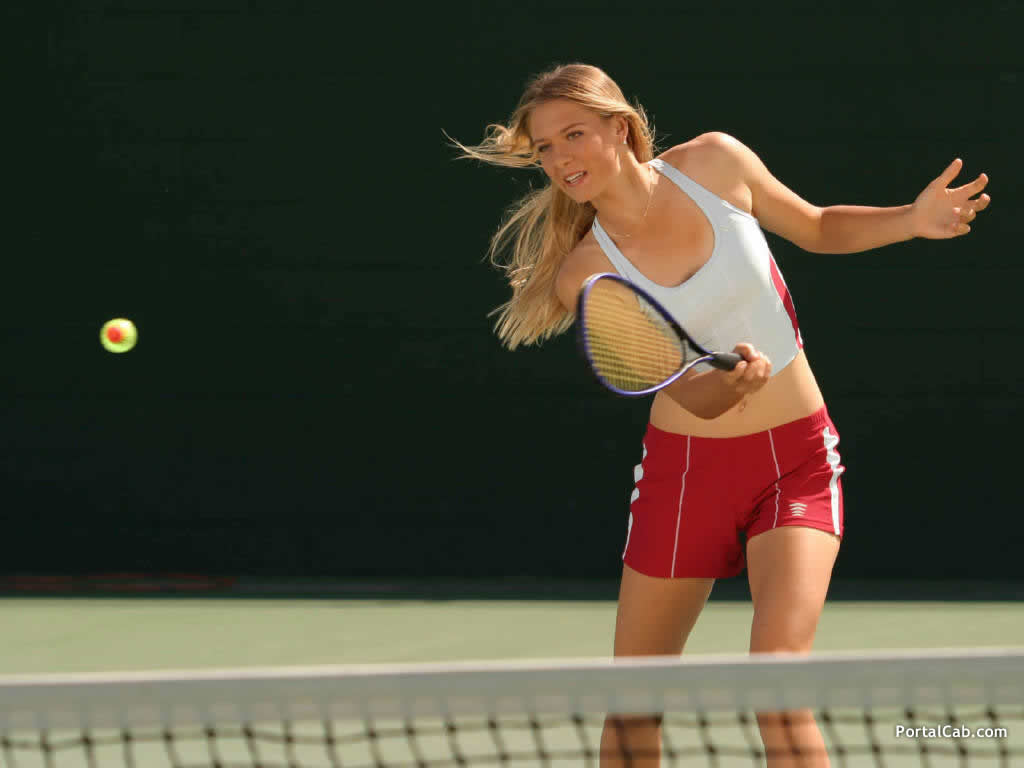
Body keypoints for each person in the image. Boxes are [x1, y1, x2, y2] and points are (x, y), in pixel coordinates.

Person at [451, 63, 990, 767]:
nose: (560, 159)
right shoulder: (585, 273)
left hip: (799, 465)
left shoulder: (716, 163)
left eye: (573, 134)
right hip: (686, 481)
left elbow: (818, 226)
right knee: (634, 711)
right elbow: (691, 394)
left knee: (777, 686)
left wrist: (912, 221)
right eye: (546, 147)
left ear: (620, 127)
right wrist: (730, 386)